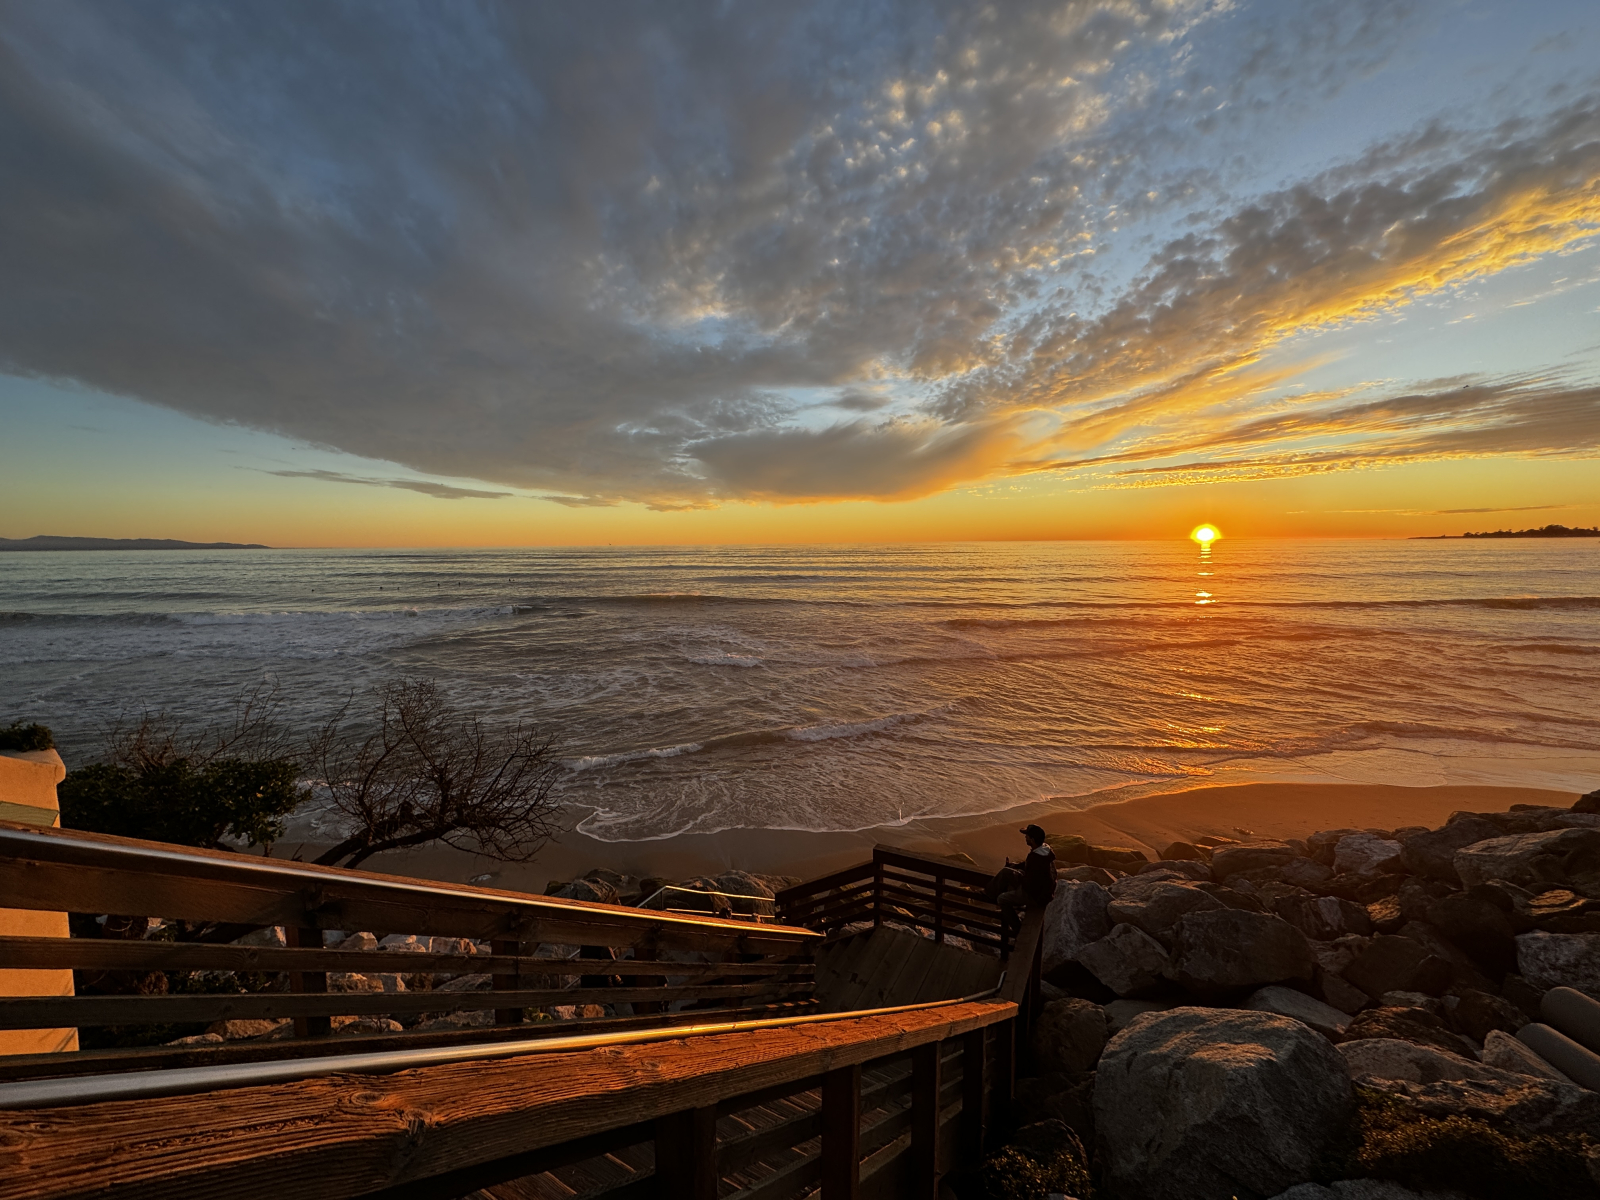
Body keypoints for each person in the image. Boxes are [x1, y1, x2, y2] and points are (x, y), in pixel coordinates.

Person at [991, 824, 1056, 924]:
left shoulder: (1037, 859)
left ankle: (1017, 927)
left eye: (1027, 836)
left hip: (1036, 896)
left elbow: (1030, 885)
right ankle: (988, 893)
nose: (1025, 837)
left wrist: (1018, 876)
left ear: (1032, 840)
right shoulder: (1043, 852)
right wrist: (1014, 866)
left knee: (1002, 899)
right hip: (1039, 891)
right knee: (1006, 871)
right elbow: (1029, 867)